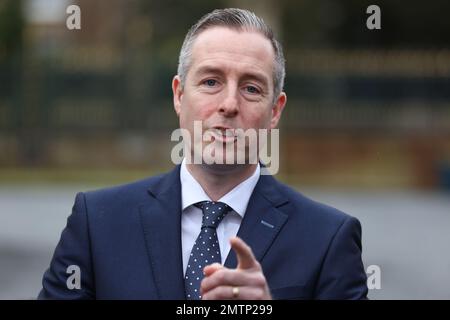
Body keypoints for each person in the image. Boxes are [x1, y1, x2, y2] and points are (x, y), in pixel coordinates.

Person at [38, 8, 368, 300]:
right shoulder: (97, 223)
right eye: (211, 82)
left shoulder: (327, 240)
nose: (229, 104)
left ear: (275, 111)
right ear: (179, 95)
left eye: (251, 88)